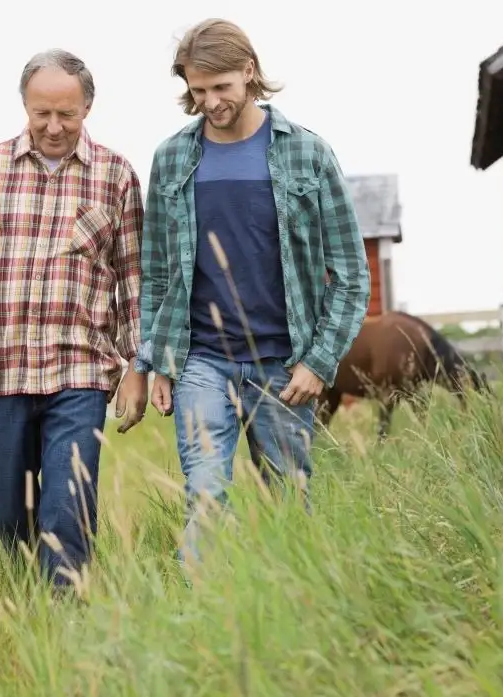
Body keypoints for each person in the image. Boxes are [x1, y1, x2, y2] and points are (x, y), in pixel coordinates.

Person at [0, 49, 147, 592]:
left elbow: (134, 281)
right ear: (25, 105)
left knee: (66, 510)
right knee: (9, 515)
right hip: (1, 372)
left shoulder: (116, 175)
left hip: (79, 373)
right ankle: (25, 597)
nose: (54, 127)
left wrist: (137, 363)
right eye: (42, 114)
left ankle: (67, 626)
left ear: (88, 106)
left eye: (68, 115)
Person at [136, 18, 370, 563]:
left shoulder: (308, 154)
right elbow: (156, 273)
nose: (210, 102)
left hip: (283, 369)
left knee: (288, 506)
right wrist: (159, 359)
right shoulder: (172, 158)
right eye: (198, 91)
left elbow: (352, 274)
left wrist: (319, 361)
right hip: (202, 362)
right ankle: (203, 624)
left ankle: (289, 620)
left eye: (221, 88)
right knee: (205, 500)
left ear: (249, 72)